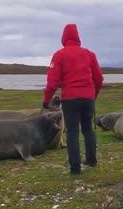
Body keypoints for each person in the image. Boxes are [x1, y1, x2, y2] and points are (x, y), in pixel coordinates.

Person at [43, 24, 104, 175]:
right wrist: (93, 96)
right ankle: (91, 161)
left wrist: (46, 100)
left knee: (72, 133)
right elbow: (99, 79)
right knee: (88, 129)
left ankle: (75, 168)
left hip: (70, 98)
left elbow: (52, 83)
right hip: (87, 98)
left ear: (64, 37)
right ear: (78, 37)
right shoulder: (89, 54)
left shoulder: (59, 55)